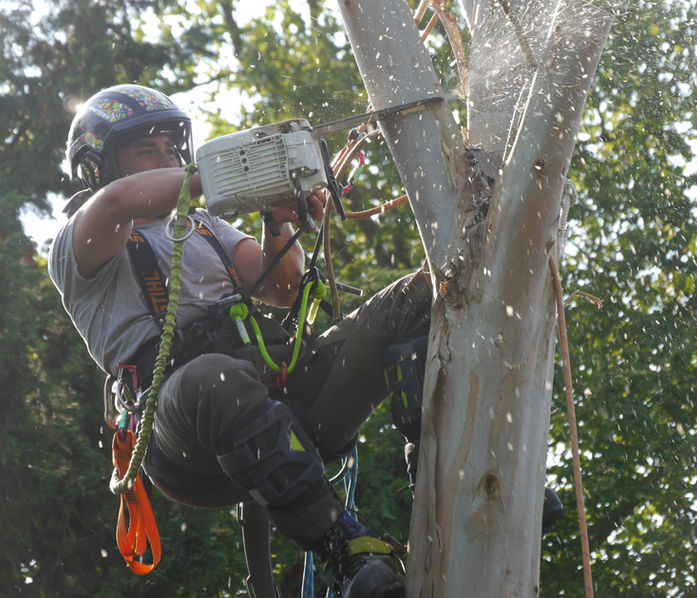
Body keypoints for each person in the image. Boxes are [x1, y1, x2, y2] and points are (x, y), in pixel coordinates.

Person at [48, 84, 433, 598]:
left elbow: (282, 286)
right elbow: (118, 201)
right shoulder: (79, 242)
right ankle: (343, 545)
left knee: (419, 296)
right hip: (182, 431)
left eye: (172, 149)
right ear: (100, 166)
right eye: (147, 149)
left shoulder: (203, 227)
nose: (167, 159)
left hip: (279, 398)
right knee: (213, 378)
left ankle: (443, 465)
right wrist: (226, 172)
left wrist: (276, 218)